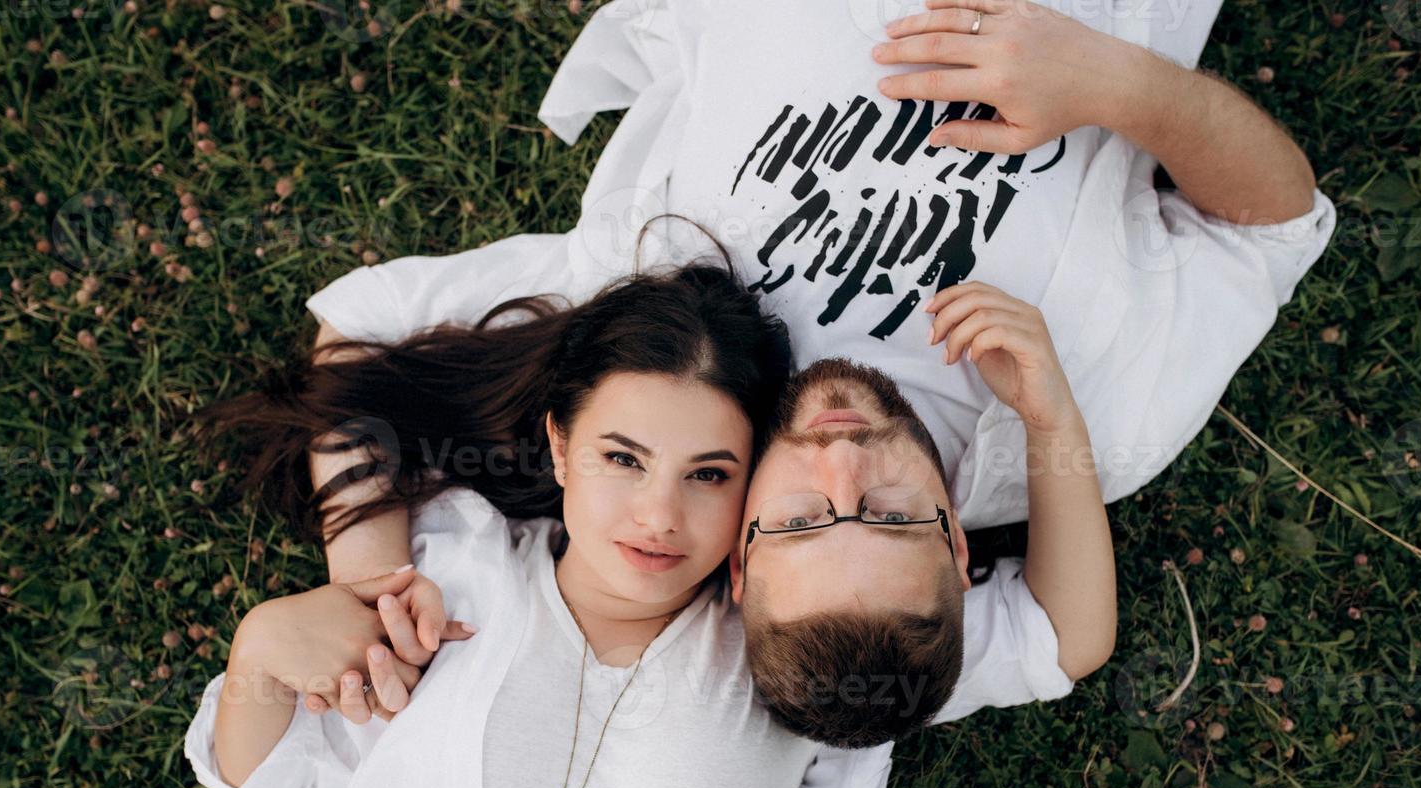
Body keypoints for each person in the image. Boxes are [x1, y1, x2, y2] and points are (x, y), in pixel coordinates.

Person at [293, 0, 1333, 745]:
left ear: (739, 556)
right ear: (960, 543)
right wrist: (1113, 82)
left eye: (795, 521)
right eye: (887, 515)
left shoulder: (665, 344)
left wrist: (371, 594)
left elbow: (360, 326)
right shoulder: (1099, 413)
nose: (840, 466)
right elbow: (1278, 220)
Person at [186, 253, 1102, 788]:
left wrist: (1052, 421)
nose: (660, 517)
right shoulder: (446, 582)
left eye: (710, 475)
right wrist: (269, 642)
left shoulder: (799, 637)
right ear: (559, 444)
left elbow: (1063, 638)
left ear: (752, 516)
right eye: (622, 459)